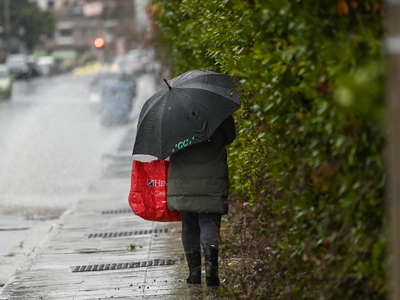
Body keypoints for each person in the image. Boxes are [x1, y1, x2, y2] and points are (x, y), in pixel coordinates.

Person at [167, 115, 237, 286]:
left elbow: (165, 146)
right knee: (209, 222)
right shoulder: (217, 111)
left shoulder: (172, 117)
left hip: (183, 182)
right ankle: (211, 271)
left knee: (189, 225)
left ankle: (194, 274)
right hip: (212, 179)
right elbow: (230, 136)